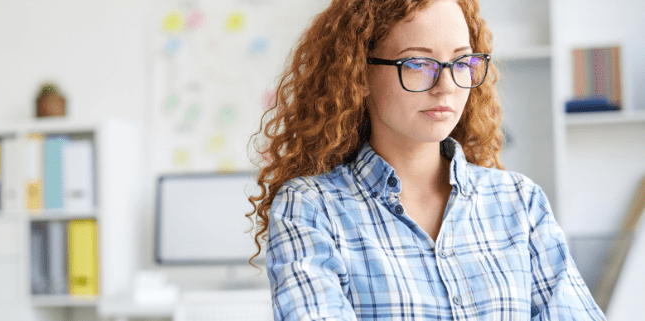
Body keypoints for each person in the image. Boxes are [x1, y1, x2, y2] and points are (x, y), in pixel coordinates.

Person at [245, 0, 606, 319]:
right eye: (419, 62)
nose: (446, 85)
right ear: (360, 73)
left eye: (461, 62)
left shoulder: (519, 202)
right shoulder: (311, 208)